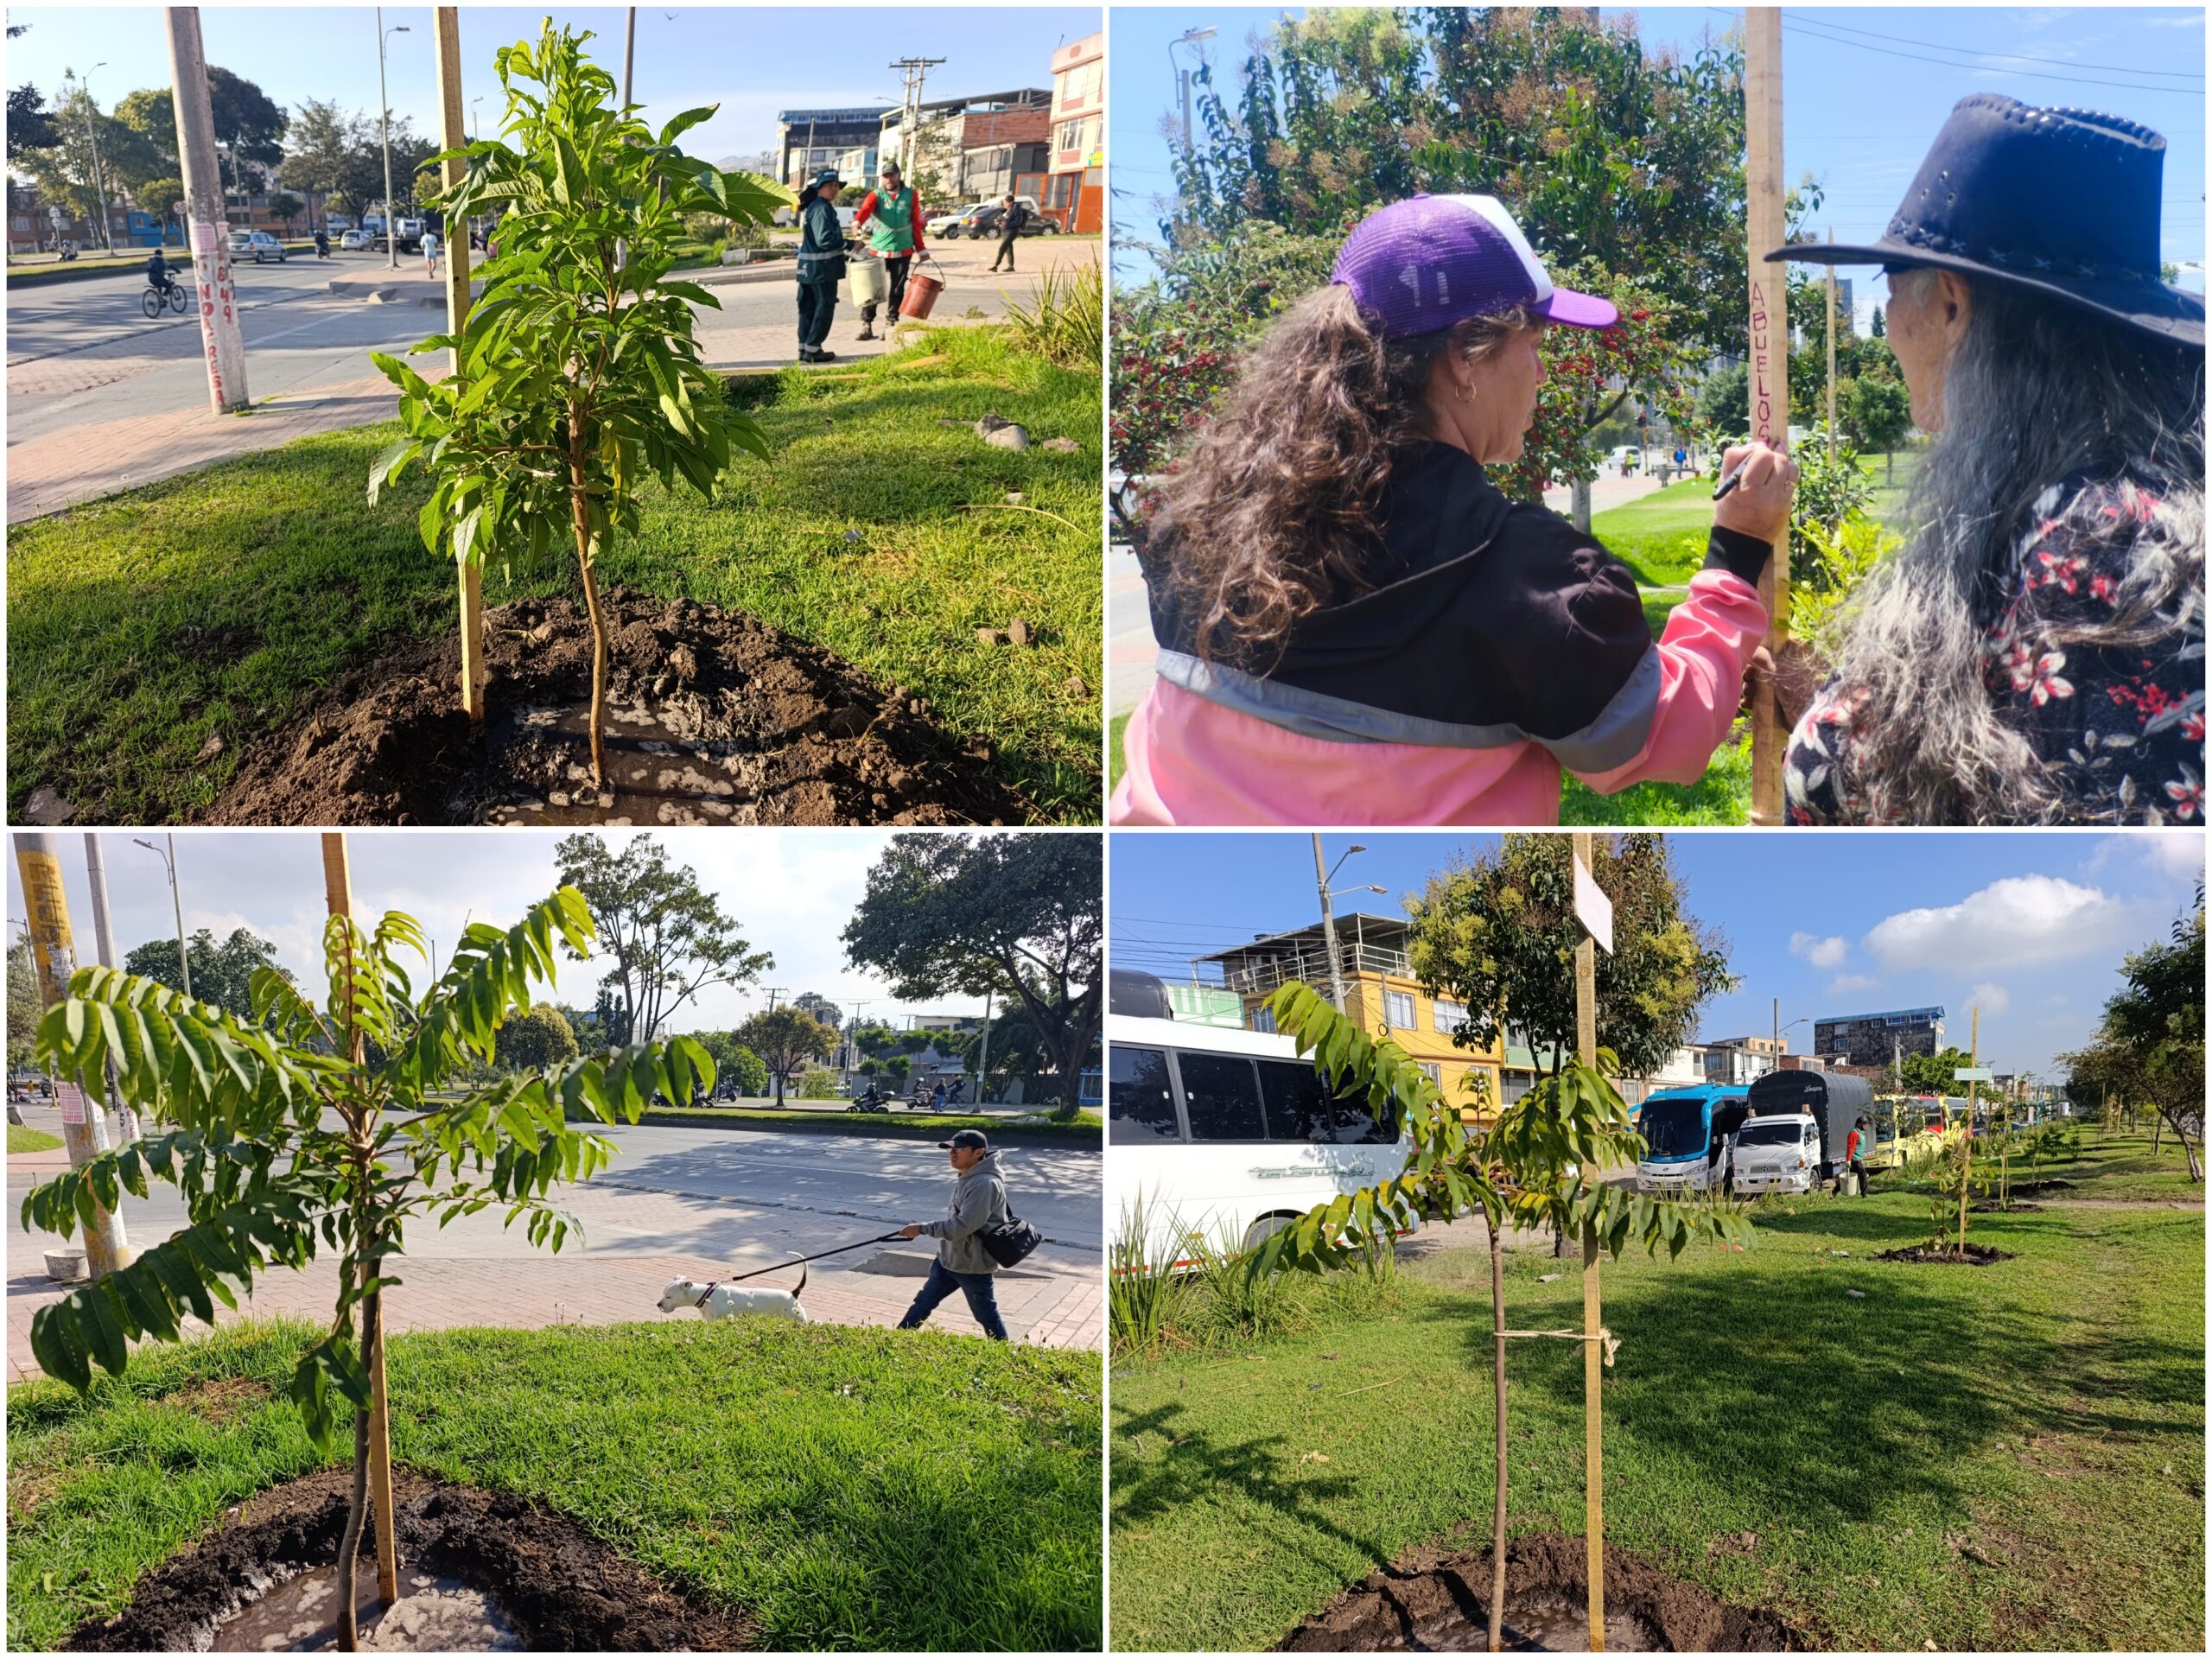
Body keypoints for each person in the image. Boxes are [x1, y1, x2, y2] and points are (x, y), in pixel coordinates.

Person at [1110, 192, 1799, 826]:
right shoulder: (1524, 582)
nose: (1540, 374)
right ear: (1469, 355)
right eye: (1534, 344)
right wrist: (1736, 552)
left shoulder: (1200, 520)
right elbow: (1660, 736)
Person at [1769, 96, 2204, 826]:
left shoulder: (2110, 553)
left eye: (1890, 288)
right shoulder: (2054, 517)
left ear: (1949, 306)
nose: (1888, 335)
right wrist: (1830, 703)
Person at [895, 1129, 1010, 1340]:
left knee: (987, 1317)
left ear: (979, 1153)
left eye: (959, 1149)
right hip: (949, 1260)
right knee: (922, 1303)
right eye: (950, 1149)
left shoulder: (985, 1184)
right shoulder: (968, 1177)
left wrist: (922, 1228)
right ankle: (895, 1341)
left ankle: (1005, 1356)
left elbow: (962, 1226)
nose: (952, 1153)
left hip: (973, 1265)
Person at [851, 161, 925, 340]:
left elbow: (916, 222)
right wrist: (857, 223)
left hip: (903, 250)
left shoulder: (910, 195)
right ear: (882, 178)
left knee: (897, 289)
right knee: (872, 289)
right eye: (885, 176)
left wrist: (921, 249)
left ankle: (891, 324)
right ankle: (866, 325)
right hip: (879, 250)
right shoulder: (876, 195)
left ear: (899, 175)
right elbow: (865, 210)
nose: (889, 179)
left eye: (892, 175)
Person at [988, 194, 1028, 274]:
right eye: (1004, 203)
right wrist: (997, 222)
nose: (1005, 204)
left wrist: (1007, 224)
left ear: (1011, 202)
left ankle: (996, 265)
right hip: (1004, 232)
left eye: (1006, 203)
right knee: (1008, 249)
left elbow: (1018, 221)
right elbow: (1000, 218)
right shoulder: (1005, 210)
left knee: (1002, 248)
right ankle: (1011, 266)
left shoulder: (1016, 209)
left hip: (1012, 231)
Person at [1843, 1116, 1872, 1197]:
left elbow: (1859, 1148)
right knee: (1863, 1174)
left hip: (1858, 1159)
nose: (1866, 1125)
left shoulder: (1861, 1133)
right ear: (1859, 1124)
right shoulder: (1854, 1133)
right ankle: (1864, 1193)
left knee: (1850, 1176)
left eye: (1866, 1123)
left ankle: (1833, 1192)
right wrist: (1848, 1159)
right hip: (1854, 1160)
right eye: (1864, 1123)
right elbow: (1850, 1147)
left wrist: (1861, 1158)